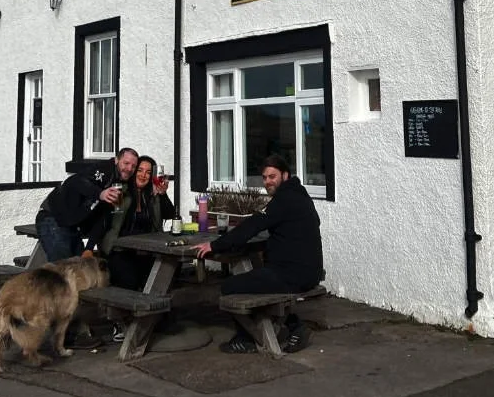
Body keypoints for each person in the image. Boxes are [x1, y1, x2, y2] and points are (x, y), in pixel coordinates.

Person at [192, 154, 323, 354]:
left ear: (285, 175)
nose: (268, 182)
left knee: (230, 286)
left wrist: (215, 246)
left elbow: (252, 226)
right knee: (257, 279)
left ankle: (249, 338)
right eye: (264, 177)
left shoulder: (283, 200)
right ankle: (291, 326)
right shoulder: (299, 195)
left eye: (273, 176)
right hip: (307, 271)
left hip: (293, 274)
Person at [86, 155, 175, 290]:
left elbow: (170, 214)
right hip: (119, 250)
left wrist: (163, 194)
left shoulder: (152, 196)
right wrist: (89, 248)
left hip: (146, 251)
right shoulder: (121, 191)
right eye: (140, 170)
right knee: (130, 281)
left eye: (148, 172)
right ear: (134, 172)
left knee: (167, 273)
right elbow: (103, 218)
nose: (143, 175)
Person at [36, 146, 139, 262]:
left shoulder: (118, 183)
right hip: (52, 217)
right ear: (116, 160)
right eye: (126, 163)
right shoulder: (104, 169)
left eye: (133, 166)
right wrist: (100, 194)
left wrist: (89, 248)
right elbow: (76, 181)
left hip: (71, 225)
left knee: (78, 270)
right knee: (62, 269)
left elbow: (102, 217)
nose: (129, 168)